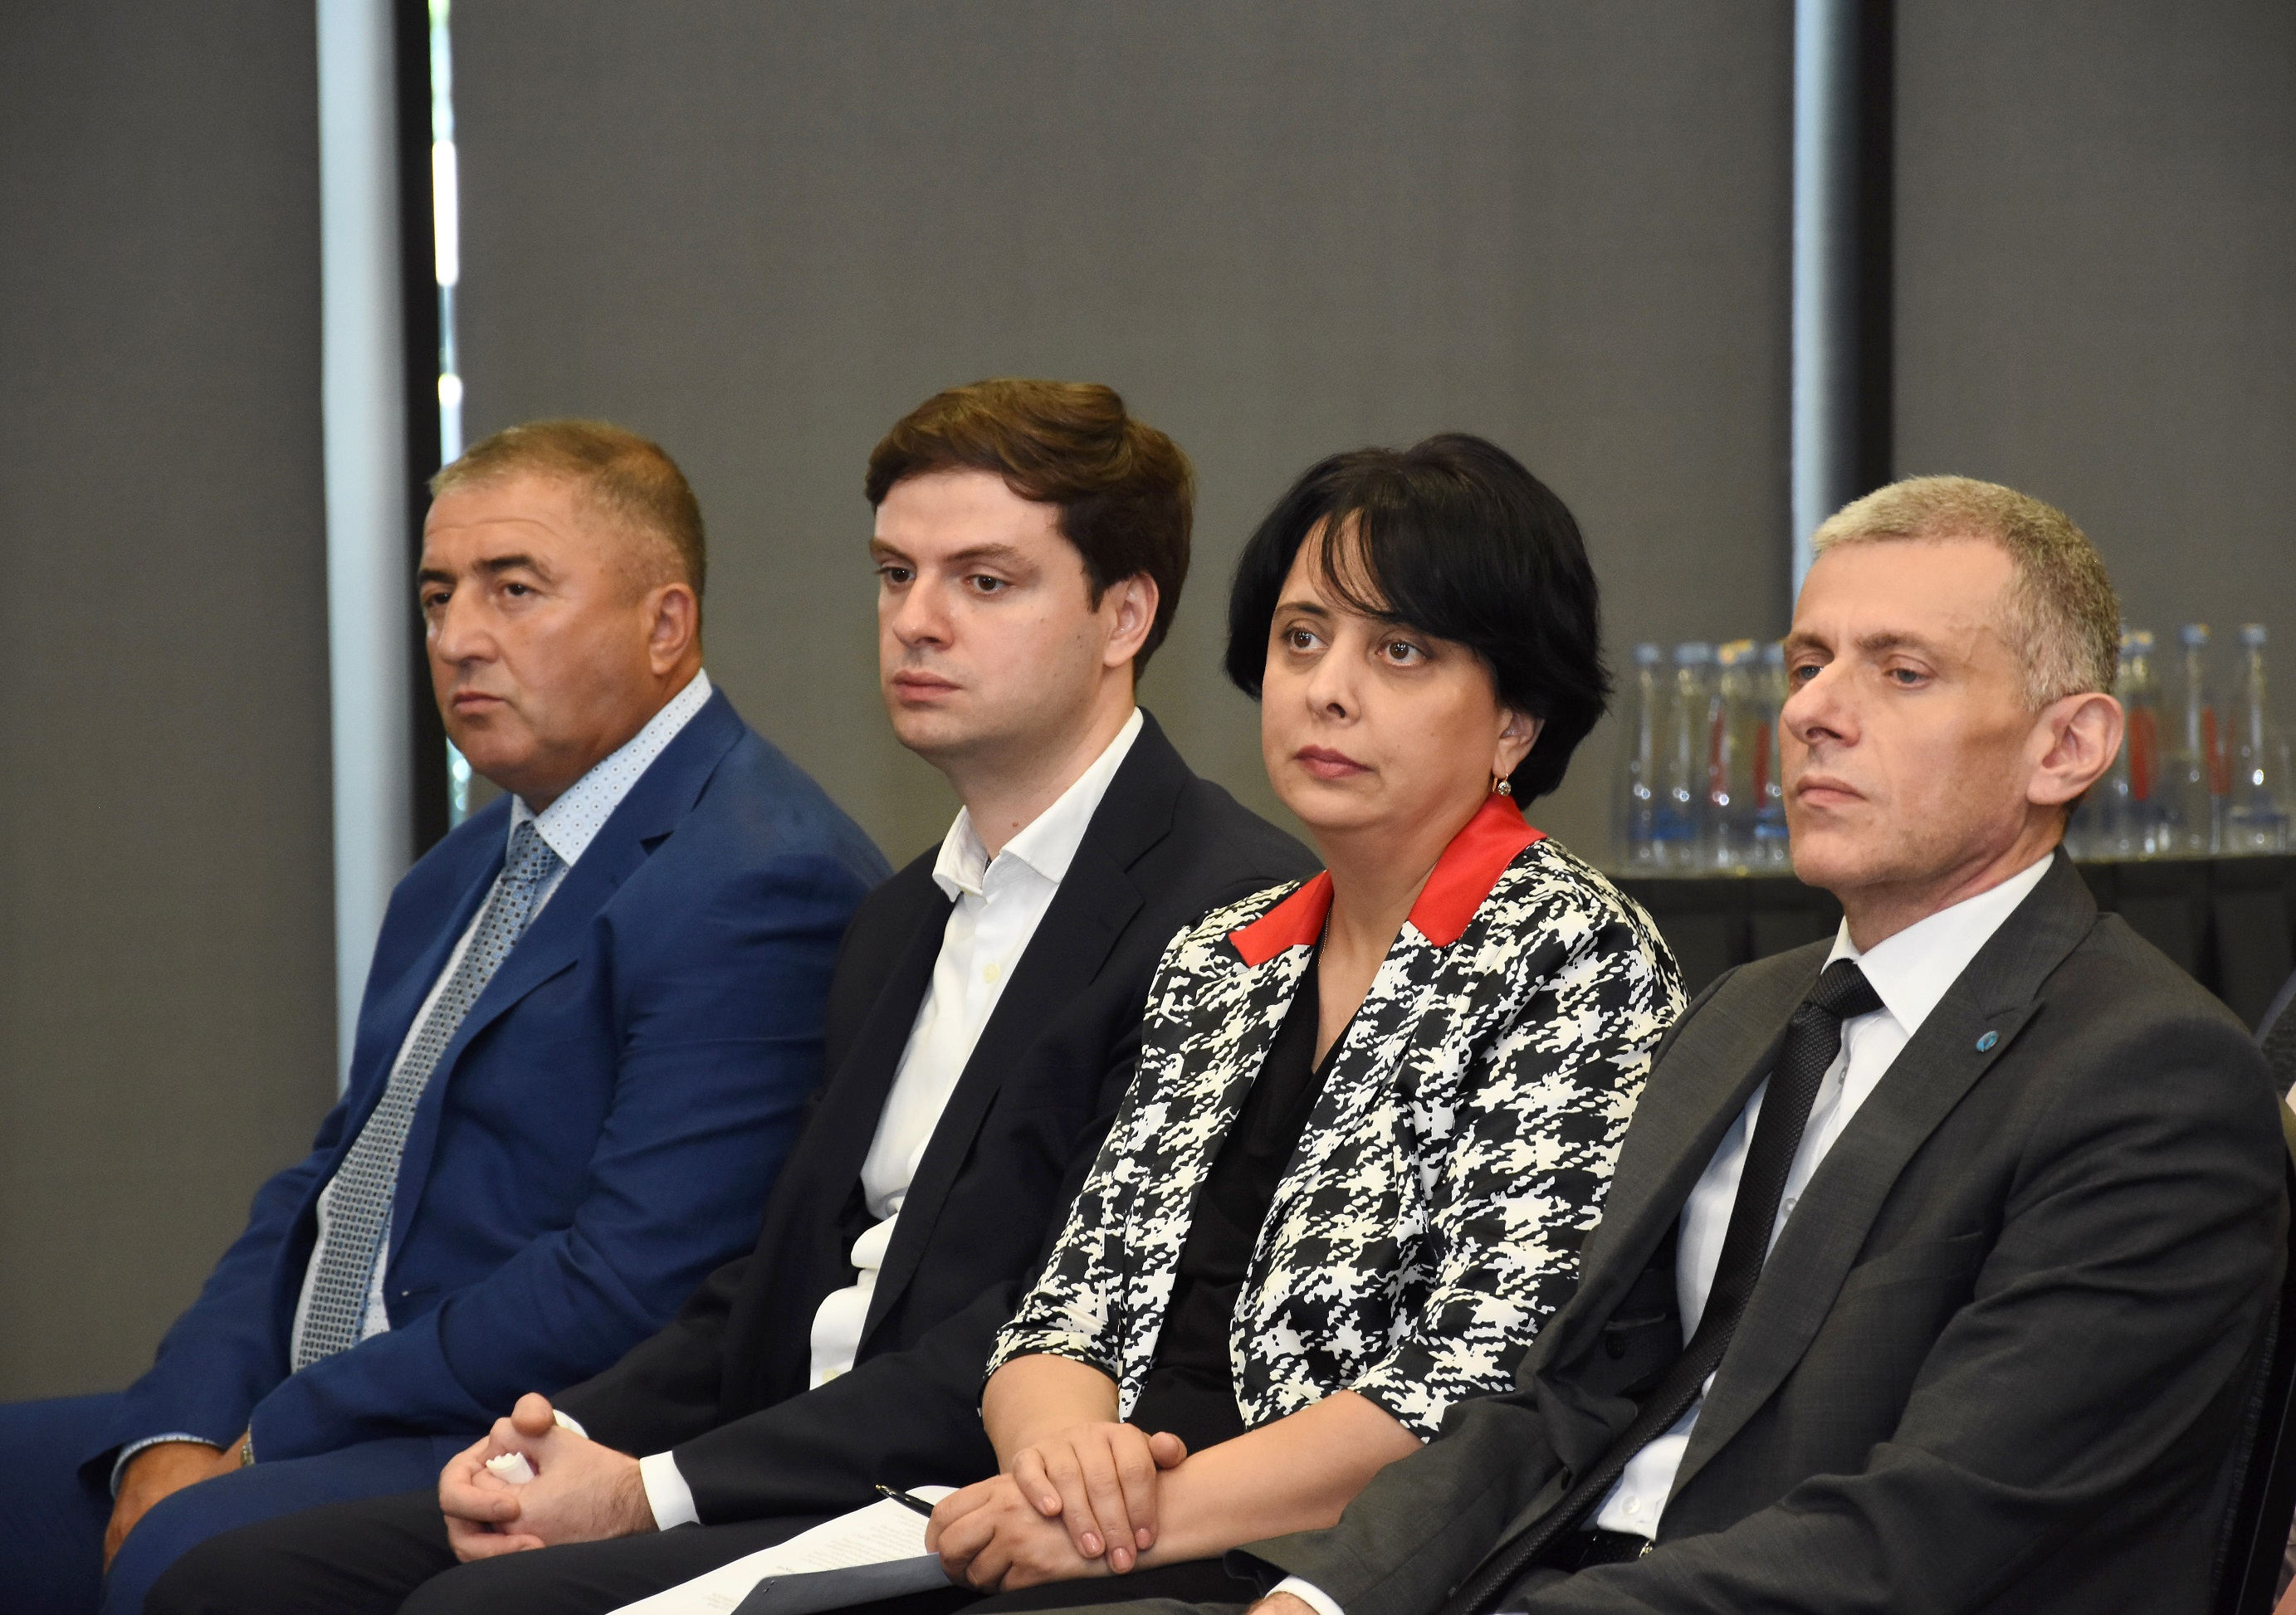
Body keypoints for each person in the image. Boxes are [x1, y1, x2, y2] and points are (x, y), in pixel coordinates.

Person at [147, 379, 1316, 1614]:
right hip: (779, 1458)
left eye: (984, 581)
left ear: (1123, 613)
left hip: (971, 1503)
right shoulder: (900, 915)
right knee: (236, 1578)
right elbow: (770, 1283)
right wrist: (567, 1439)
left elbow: (1055, 1322)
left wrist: (656, 1488)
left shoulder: (1229, 907)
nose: (916, 622)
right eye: (894, 574)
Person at [1197, 476, 2286, 1614]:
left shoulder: (2147, 1074)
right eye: (1808, 663)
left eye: (1901, 672)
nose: (1815, 711)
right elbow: (1553, 1401)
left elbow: (1930, 1535)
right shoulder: (1744, 1012)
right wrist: (1320, 1602)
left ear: (2066, 746)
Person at [0, 420, 889, 1615]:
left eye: (514, 589)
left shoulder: (759, 875)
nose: (459, 636)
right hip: (336, 1402)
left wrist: (273, 1432)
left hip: (522, 1433)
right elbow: (333, 1181)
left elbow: (627, 1285)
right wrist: (184, 1419)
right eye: (437, 595)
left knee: (190, 1555)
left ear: (664, 625)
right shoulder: (464, 867)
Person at [899, 433, 1684, 1614]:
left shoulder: (1572, 952)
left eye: (1400, 650)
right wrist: (1064, 1466)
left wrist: (1118, 1524)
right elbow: (1065, 1309)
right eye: (1301, 638)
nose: (1327, 687)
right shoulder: (1223, 953)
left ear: (1514, 723)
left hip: (1335, 1573)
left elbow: (1477, 1387)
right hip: (1104, 1538)